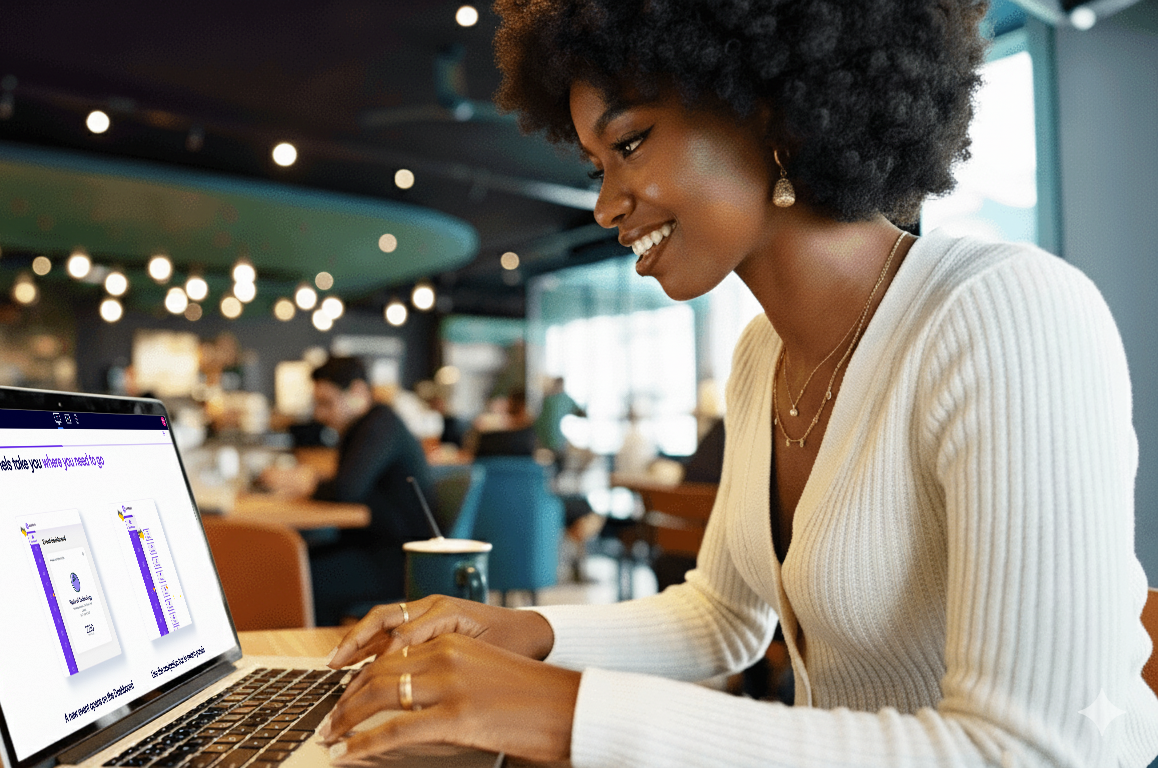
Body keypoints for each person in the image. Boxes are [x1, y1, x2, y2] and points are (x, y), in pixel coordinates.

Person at [311, 2, 1158, 766]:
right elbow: (721, 617)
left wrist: (563, 714)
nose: (606, 205)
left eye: (631, 142)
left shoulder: (1006, 313)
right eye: (597, 164)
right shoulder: (763, 356)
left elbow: (1031, 752)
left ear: (774, 106)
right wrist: (524, 633)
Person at [261, 357, 436, 625]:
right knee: (289, 561)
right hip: (375, 547)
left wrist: (308, 483)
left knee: (297, 576)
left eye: (327, 403)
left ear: (357, 392)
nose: (320, 414)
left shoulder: (380, 425)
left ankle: (319, 657)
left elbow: (346, 489)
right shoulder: (366, 427)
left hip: (400, 562)